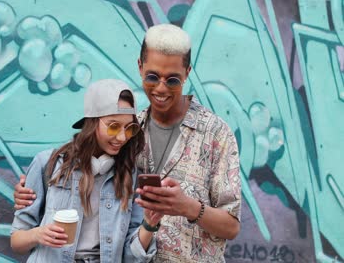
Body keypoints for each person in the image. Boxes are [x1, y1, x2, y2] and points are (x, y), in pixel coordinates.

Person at [14, 24, 241, 262]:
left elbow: (232, 227)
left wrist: (188, 207)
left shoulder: (216, 134)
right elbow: (80, 173)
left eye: (173, 80)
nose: (161, 88)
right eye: (153, 77)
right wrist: (34, 190)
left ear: (187, 73)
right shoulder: (128, 127)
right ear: (140, 67)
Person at [10, 79, 163, 263]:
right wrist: (38, 234)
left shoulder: (129, 177)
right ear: (91, 123)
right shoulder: (48, 164)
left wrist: (149, 224)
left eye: (129, 128)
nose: (122, 137)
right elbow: (16, 241)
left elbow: (131, 257)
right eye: (113, 126)